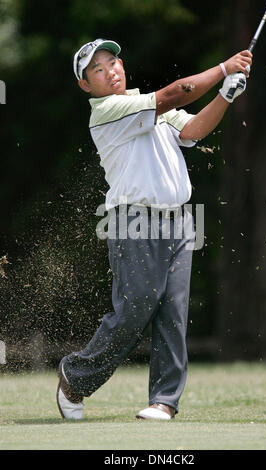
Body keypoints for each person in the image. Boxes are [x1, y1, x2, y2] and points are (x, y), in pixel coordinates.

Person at [56, 38, 252, 420]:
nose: (109, 71)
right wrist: (224, 69)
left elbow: (192, 131)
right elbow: (174, 94)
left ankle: (164, 401)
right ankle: (75, 378)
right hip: (134, 221)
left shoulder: (150, 106)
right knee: (134, 309)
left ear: (122, 65)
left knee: (173, 313)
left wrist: (225, 97)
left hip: (179, 220)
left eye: (112, 62)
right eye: (97, 69)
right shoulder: (110, 110)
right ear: (86, 85)